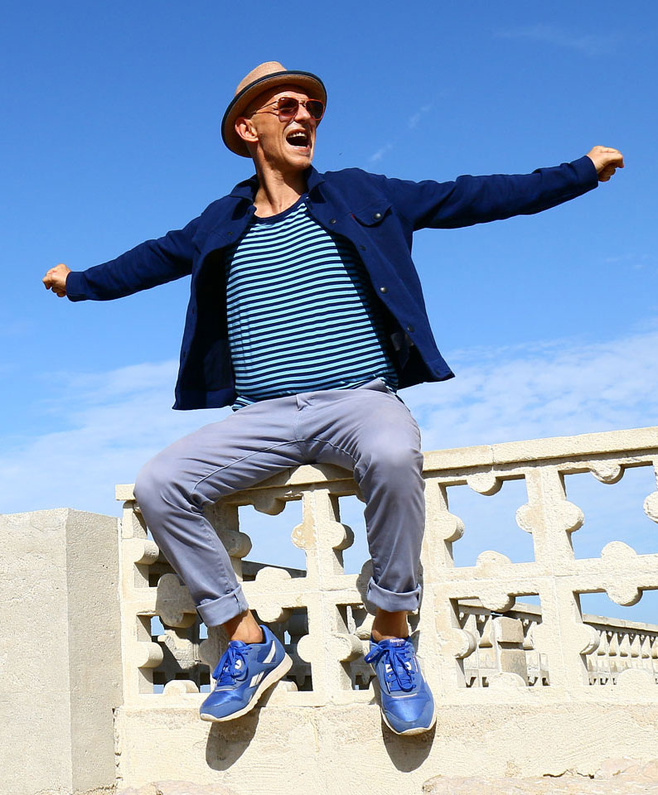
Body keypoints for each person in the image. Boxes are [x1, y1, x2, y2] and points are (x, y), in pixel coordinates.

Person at [43, 61, 623, 736]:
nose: (304, 116)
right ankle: (247, 638)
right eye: (286, 106)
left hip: (357, 399)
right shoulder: (219, 222)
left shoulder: (360, 193)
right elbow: (147, 260)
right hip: (261, 416)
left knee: (393, 453)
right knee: (160, 482)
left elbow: (475, 195)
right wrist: (78, 282)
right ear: (248, 128)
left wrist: (580, 171)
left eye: (311, 108)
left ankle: (391, 633)